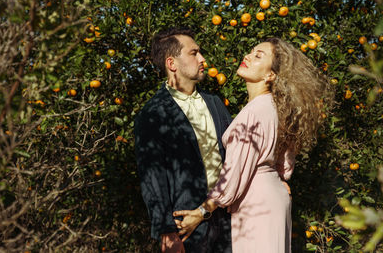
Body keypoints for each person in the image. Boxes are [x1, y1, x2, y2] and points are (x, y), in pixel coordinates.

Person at [173, 37, 331, 253]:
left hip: (256, 203)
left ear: (270, 75)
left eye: (259, 56)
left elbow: (232, 178)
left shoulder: (254, 112)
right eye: (251, 51)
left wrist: (201, 212)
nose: (248, 56)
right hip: (274, 197)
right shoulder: (277, 109)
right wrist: (276, 178)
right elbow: (285, 165)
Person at [134, 27, 232, 253]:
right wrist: (166, 232)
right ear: (172, 64)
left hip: (228, 219)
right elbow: (152, 176)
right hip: (185, 227)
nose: (202, 59)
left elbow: (236, 156)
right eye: (194, 53)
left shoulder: (215, 103)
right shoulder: (153, 113)